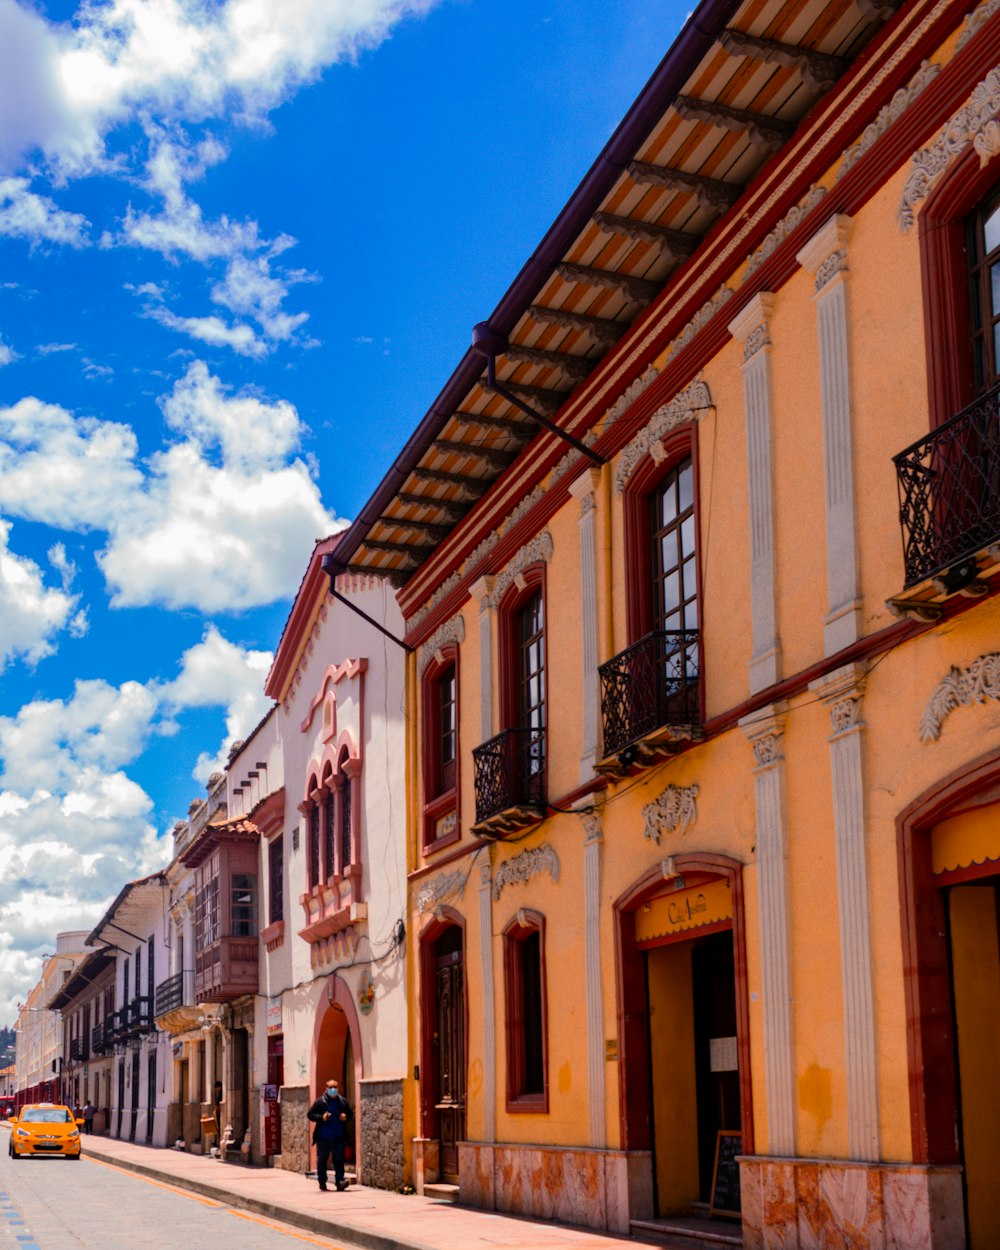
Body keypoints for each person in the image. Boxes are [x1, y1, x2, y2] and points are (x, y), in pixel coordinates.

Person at [306, 1078, 354, 1192]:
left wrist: (345, 1117)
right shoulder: (320, 1102)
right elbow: (310, 1114)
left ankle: (339, 1182)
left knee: (339, 1160)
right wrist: (321, 1117)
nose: (333, 1089)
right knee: (322, 1160)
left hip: (339, 1137)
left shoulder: (342, 1101)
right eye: (331, 1087)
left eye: (335, 1087)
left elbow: (350, 1114)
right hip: (323, 1137)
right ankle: (322, 1182)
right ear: (326, 1089)